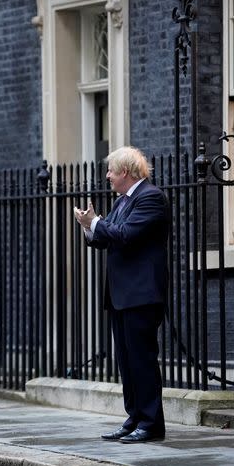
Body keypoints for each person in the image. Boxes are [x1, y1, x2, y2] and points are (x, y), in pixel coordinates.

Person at [73, 146, 169, 443]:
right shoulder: (123, 201)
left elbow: (124, 234)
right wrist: (90, 228)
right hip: (121, 294)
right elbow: (106, 238)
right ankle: (135, 417)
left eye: (111, 170)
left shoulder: (150, 198)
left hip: (142, 294)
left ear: (125, 172)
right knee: (126, 361)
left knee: (142, 359)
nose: (108, 176)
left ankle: (151, 423)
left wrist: (96, 223)